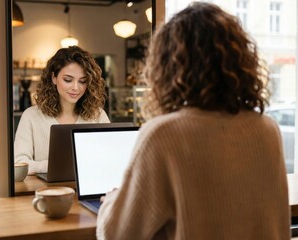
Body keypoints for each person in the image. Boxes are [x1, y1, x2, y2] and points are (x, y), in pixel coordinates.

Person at [96, 2, 290, 239]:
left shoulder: (164, 134)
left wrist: (112, 200)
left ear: (166, 67)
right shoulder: (267, 128)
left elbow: (116, 234)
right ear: (238, 62)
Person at [14, 46, 110, 174]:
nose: (76, 87)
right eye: (68, 80)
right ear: (54, 78)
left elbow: (109, 158)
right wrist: (56, 166)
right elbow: (19, 162)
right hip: (44, 191)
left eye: (82, 81)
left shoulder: (98, 115)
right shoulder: (31, 116)